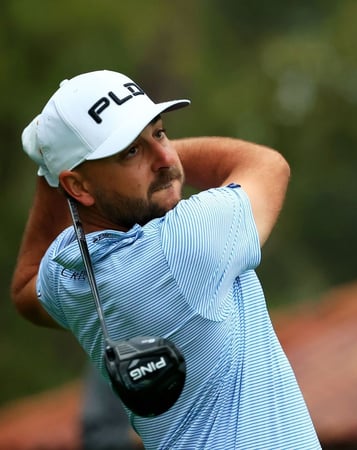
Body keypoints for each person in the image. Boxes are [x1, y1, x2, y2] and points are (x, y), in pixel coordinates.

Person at [10, 70, 321, 449]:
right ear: (79, 186)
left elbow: (25, 286)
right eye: (130, 151)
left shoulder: (67, 273)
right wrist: (169, 164)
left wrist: (51, 171)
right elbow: (268, 165)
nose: (165, 156)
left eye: (159, 133)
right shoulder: (183, 243)